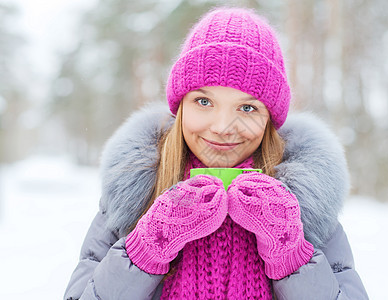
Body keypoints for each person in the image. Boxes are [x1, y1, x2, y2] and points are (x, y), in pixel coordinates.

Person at [64, 7, 368, 299]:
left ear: (269, 119)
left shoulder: (307, 203)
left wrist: (291, 255)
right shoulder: (131, 194)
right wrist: (145, 250)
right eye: (204, 102)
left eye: (247, 108)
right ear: (181, 106)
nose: (223, 127)